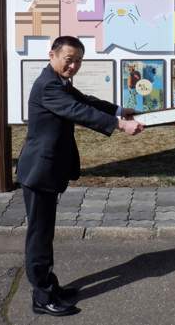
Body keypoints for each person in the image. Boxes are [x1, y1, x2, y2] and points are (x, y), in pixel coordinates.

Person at [17, 36, 144, 317]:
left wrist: (120, 110)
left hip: (47, 168)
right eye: (69, 59)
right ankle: (42, 296)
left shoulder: (59, 81)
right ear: (53, 54)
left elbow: (85, 100)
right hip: (39, 171)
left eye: (78, 61)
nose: (73, 65)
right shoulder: (48, 84)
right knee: (39, 236)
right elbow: (78, 111)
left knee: (44, 233)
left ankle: (49, 285)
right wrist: (120, 125)